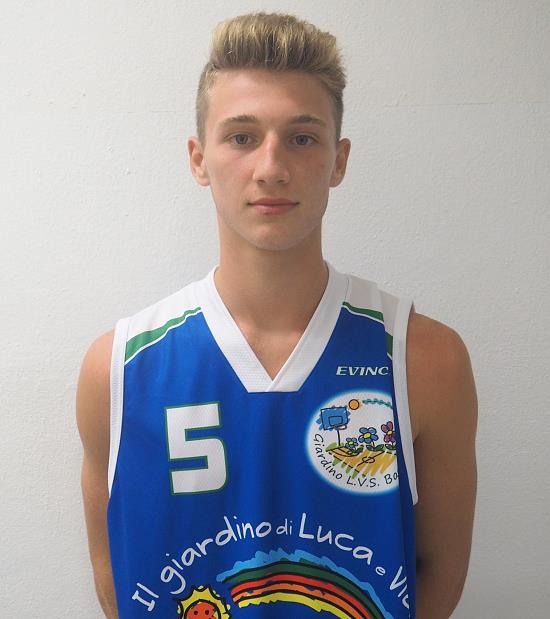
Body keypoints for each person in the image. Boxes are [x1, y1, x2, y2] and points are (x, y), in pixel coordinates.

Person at [76, 11, 477, 619]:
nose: (271, 167)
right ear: (198, 158)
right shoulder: (118, 369)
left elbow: (438, 573)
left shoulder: (423, 358)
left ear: (338, 160)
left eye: (302, 138)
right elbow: (117, 578)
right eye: (241, 137)